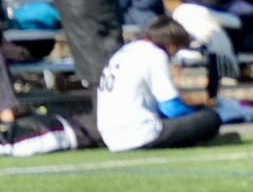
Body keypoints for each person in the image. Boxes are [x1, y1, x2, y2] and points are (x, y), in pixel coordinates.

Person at [95, 14, 223, 152]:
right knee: (211, 118)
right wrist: (195, 113)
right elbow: (171, 108)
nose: (175, 54)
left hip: (111, 138)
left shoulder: (124, 51)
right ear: (171, 44)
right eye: (178, 48)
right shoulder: (155, 55)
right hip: (140, 133)